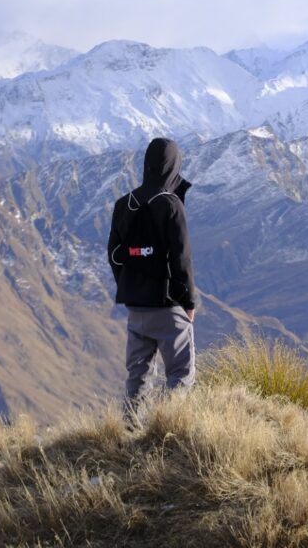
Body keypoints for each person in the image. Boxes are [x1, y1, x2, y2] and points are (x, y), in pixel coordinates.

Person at [107, 137, 197, 412]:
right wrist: (189, 302)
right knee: (180, 375)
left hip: (136, 310)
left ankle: (131, 433)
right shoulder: (171, 205)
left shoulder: (124, 204)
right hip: (168, 306)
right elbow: (182, 259)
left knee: (138, 377)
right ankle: (169, 432)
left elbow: (114, 255)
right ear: (173, 166)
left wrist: (131, 285)